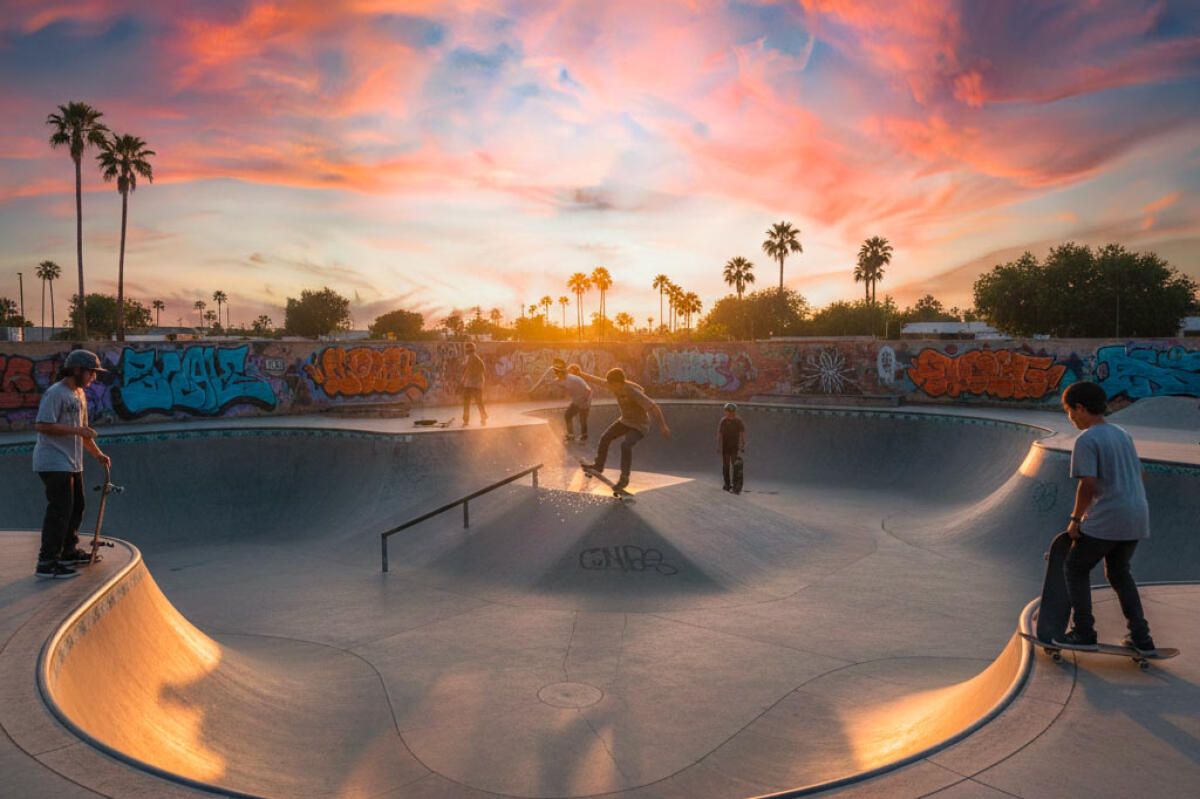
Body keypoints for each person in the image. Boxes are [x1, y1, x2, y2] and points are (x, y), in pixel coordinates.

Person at [1054, 380, 1156, 654]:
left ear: (1080, 408)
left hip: (1109, 516)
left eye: (1069, 412)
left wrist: (1076, 520)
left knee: (1075, 568)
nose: (1070, 418)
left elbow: (1087, 483)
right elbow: (1142, 474)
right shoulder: (1122, 434)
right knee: (1120, 574)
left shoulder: (1087, 440)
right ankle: (1141, 638)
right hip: (1137, 514)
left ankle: (1084, 632)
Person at [33, 349, 112, 580]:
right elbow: (42, 425)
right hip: (52, 460)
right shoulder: (56, 393)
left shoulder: (79, 394)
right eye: (90, 373)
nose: (93, 378)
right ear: (76, 370)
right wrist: (78, 430)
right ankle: (47, 561)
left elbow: (84, 432)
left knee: (77, 506)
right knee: (60, 510)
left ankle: (68, 551)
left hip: (72, 461)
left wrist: (97, 453)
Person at [578, 367, 670, 491]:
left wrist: (663, 426)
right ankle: (599, 466)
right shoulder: (614, 385)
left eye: (612, 385)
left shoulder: (633, 392)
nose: (611, 388)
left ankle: (624, 478)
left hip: (640, 425)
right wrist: (579, 373)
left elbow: (654, 407)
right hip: (625, 421)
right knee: (605, 438)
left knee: (626, 445)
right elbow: (598, 380)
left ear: (618, 383)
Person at [529, 358, 592, 442]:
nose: (556, 375)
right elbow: (552, 383)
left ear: (562, 372)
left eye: (557, 373)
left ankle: (584, 436)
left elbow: (589, 390)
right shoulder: (559, 380)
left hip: (585, 400)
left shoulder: (574, 379)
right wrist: (543, 385)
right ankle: (571, 435)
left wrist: (586, 401)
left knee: (582, 418)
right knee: (568, 415)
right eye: (556, 373)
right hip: (576, 401)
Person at [717, 402, 746, 491]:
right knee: (726, 466)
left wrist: (743, 444)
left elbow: (743, 433)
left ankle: (735, 484)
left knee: (734, 465)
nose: (729, 413)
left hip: (734, 447)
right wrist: (719, 446)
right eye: (728, 411)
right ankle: (727, 483)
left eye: (731, 411)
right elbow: (720, 434)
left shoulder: (738, 421)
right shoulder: (723, 421)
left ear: (734, 411)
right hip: (726, 447)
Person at [460, 342, 487, 426]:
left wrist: (464, 379)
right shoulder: (476, 358)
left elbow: (468, 369)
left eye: (466, 349)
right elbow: (483, 369)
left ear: (468, 350)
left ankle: (466, 420)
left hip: (472, 383)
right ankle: (483, 416)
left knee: (466, 401)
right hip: (477, 383)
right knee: (478, 400)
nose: (465, 351)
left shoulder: (471, 357)